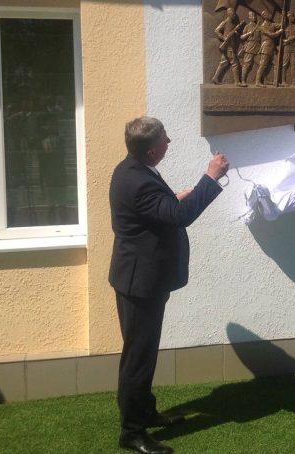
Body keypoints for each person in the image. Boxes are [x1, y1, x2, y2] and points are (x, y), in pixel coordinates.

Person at [109, 117, 229, 453]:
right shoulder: (138, 180)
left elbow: (154, 211)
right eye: (165, 138)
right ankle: (132, 433)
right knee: (138, 358)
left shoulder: (132, 169)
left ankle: (145, 412)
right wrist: (210, 177)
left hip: (140, 279)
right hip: (140, 283)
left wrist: (174, 197)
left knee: (143, 352)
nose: (169, 141)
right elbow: (180, 217)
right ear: (152, 150)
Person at [211, 7, 242, 86]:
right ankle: (237, 82)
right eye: (233, 14)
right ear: (229, 14)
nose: (234, 15)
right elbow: (216, 30)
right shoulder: (225, 22)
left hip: (231, 45)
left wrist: (236, 32)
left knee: (223, 63)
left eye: (234, 14)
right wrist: (223, 37)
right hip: (228, 46)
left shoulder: (234, 23)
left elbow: (236, 34)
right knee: (235, 64)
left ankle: (215, 78)